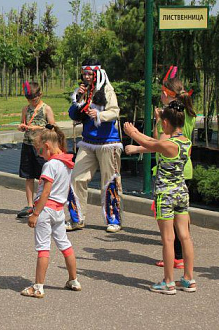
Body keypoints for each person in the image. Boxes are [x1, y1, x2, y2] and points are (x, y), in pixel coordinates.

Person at [125, 68, 196, 268]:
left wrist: (138, 138)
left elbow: (159, 143)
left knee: (169, 223)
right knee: (182, 219)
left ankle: (174, 260)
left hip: (170, 173)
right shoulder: (187, 114)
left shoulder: (169, 118)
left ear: (166, 94)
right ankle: (184, 264)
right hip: (184, 168)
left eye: (162, 93)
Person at [20, 124, 81, 298]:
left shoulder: (50, 165)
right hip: (59, 211)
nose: (39, 155)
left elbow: (46, 191)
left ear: (47, 146)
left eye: (40, 151)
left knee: (43, 248)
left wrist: (35, 213)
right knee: (65, 245)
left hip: (45, 210)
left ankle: (38, 286)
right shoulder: (67, 162)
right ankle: (73, 280)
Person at [68, 59, 123, 233]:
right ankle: (77, 218)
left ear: (97, 73)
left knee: (110, 181)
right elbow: (73, 114)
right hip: (88, 142)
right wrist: (78, 99)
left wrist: (99, 114)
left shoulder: (107, 89)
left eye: (89, 74)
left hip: (108, 142)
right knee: (76, 178)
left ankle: (113, 219)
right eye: (84, 73)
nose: (86, 77)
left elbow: (115, 112)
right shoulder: (83, 91)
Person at [16, 81, 55, 218]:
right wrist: (22, 127)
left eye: (34, 99)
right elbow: (24, 123)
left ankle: (44, 203)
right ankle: (29, 204)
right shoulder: (25, 109)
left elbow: (52, 128)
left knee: (43, 176)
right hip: (27, 144)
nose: (32, 102)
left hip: (41, 147)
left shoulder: (46, 109)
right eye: (29, 100)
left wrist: (37, 128)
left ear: (40, 95)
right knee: (28, 176)